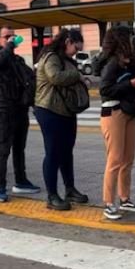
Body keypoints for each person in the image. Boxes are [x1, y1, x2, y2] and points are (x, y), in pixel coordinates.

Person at [96, 27, 135, 221]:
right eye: (129, 38)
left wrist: (131, 58)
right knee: (115, 159)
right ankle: (108, 203)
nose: (132, 41)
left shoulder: (126, 61)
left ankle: (125, 198)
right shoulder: (111, 63)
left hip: (128, 111)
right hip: (113, 112)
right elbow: (105, 90)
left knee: (128, 158)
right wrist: (129, 84)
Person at [34, 28, 90, 211]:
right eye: (76, 48)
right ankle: (52, 196)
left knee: (66, 151)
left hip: (65, 110)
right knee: (53, 152)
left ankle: (70, 189)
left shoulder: (66, 59)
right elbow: (55, 77)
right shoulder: (51, 57)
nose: (76, 52)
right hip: (49, 109)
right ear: (67, 42)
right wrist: (78, 76)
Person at [0, 26, 38, 196]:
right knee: (4, 148)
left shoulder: (16, 59)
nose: (11, 39)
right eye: (7, 37)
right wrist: (9, 46)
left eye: (13, 36)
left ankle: (21, 180)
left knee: (19, 147)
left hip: (20, 108)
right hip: (5, 109)